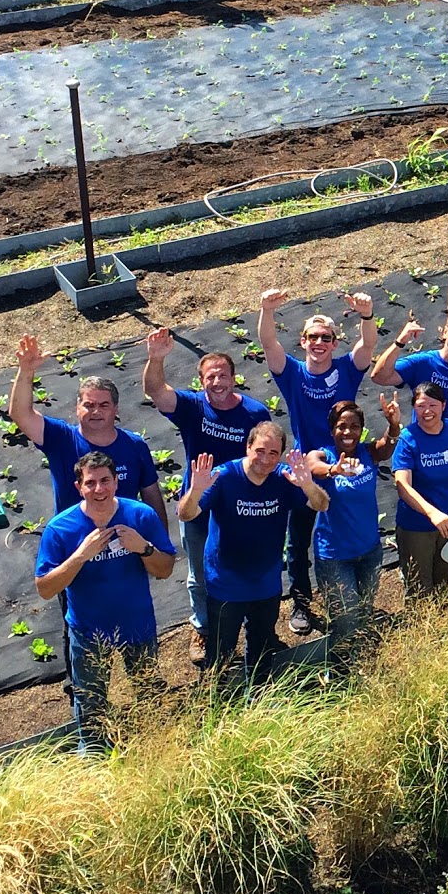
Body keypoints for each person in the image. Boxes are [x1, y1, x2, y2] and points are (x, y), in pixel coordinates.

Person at [143, 328, 271, 665]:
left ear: (234, 378)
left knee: (248, 564)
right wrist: (157, 358)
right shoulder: (191, 407)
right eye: (211, 376)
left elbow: (267, 455)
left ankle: (257, 625)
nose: (218, 382)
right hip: (198, 504)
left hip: (241, 507)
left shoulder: (255, 414)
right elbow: (156, 390)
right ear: (201, 382)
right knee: (200, 573)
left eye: (223, 375)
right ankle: (202, 627)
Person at [33, 451, 175, 753]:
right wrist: (80, 556)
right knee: (91, 703)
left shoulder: (140, 516)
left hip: (137, 626)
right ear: (78, 487)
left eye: (105, 481)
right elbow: (45, 589)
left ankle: (153, 750)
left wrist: (144, 549)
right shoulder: (61, 529)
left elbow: (165, 570)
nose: (99, 489)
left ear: (116, 481)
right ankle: (94, 755)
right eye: (91, 483)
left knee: (148, 692)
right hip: (88, 632)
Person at [258, 289, 377, 636]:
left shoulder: (345, 370)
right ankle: (301, 602)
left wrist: (367, 316)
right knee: (298, 540)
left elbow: (367, 346)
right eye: (313, 337)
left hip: (345, 464)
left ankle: (347, 593)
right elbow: (268, 344)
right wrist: (266, 310)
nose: (320, 342)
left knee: (346, 531)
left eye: (326, 337)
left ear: (334, 342)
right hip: (306, 466)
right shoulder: (293, 373)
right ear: (304, 341)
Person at [179, 425, 329, 687]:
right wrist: (196, 490)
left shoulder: (283, 479)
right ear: (248, 448)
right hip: (226, 585)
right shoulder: (225, 477)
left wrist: (307, 484)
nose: (265, 459)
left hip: (266, 585)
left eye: (273, 453)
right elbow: (186, 514)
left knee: (260, 651)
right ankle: (217, 705)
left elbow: (322, 504)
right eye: (259, 451)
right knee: (220, 655)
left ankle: (257, 699)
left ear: (281, 455)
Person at [10, 336, 166, 527]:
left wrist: (161, 544)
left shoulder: (135, 445)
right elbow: (21, 414)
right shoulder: (60, 438)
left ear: (115, 409)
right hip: (77, 543)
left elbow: (151, 495)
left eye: (104, 405)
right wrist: (26, 370)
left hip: (127, 543)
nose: (96, 411)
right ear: (77, 408)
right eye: (89, 405)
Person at [309, 397, 401, 655]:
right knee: (344, 619)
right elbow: (311, 465)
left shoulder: (366, 453)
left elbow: (385, 448)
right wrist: (333, 470)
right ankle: (340, 671)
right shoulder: (323, 455)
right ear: (332, 430)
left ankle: (359, 654)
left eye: (354, 426)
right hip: (336, 558)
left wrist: (393, 425)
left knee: (363, 608)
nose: (348, 432)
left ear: (361, 430)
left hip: (370, 551)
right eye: (341, 426)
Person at [370, 307, 448, 485]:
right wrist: (400, 342)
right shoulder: (423, 362)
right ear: (444, 331)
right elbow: (380, 376)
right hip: (424, 456)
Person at [392, 381, 448, 596]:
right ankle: (421, 629)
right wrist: (432, 513)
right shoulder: (408, 438)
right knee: (420, 590)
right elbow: (402, 486)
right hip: (417, 527)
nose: (427, 411)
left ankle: (441, 626)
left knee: (443, 584)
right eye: (420, 406)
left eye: (433, 405)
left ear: (443, 405)